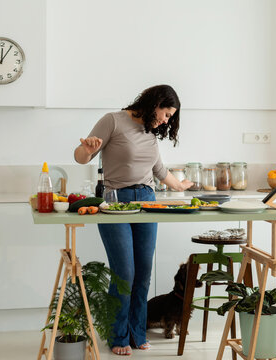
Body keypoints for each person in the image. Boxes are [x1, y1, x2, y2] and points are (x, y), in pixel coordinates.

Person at [74, 84, 193, 356]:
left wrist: (180, 186)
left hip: (148, 200)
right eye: (166, 113)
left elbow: (159, 169)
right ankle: (118, 334)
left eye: (170, 117)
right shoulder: (112, 121)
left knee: (142, 273)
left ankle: (137, 332)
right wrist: (87, 149)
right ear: (155, 103)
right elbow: (82, 157)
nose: (166, 120)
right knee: (124, 273)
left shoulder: (150, 132)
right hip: (116, 200)